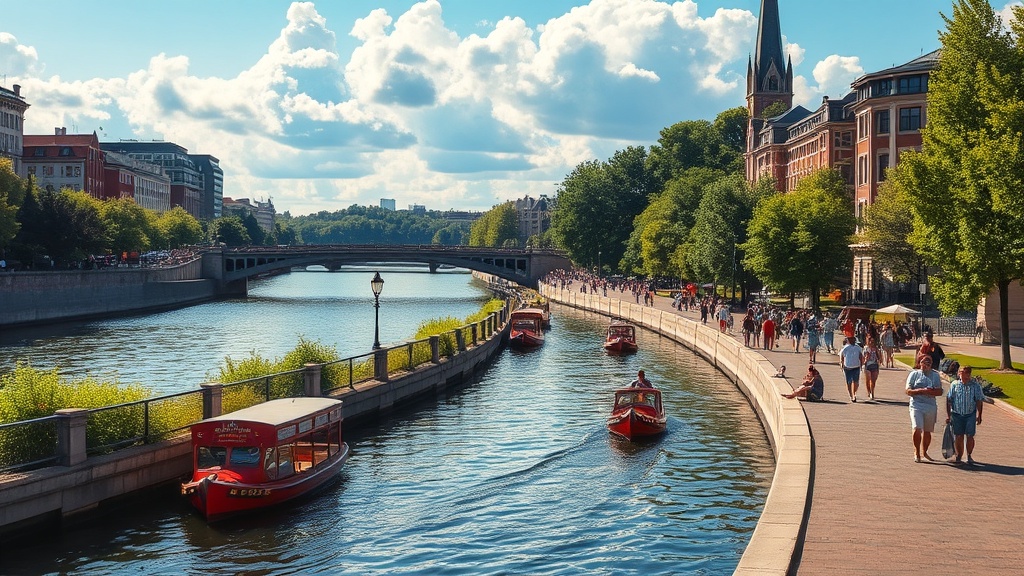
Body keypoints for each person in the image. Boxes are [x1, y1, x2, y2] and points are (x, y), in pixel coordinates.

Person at [906, 355, 943, 463]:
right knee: (917, 427)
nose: (926, 365)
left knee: (927, 431)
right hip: (916, 404)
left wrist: (930, 391)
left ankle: (925, 451)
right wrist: (920, 391)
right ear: (920, 363)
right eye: (924, 362)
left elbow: (940, 391)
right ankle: (916, 452)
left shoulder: (935, 375)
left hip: (930, 405)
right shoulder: (914, 374)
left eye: (929, 363)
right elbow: (908, 391)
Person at [945, 366, 985, 465]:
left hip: (970, 414)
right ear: (959, 373)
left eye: (968, 373)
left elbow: (979, 401)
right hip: (957, 414)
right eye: (963, 373)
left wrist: (979, 415)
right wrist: (948, 415)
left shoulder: (975, 386)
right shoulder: (954, 385)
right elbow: (949, 399)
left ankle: (969, 455)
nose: (966, 375)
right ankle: (959, 455)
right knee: (959, 435)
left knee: (970, 435)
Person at [840, 336, 863, 402]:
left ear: (855, 339)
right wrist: (841, 364)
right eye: (849, 339)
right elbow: (842, 356)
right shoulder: (845, 348)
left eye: (852, 338)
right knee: (849, 382)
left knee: (856, 382)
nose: (851, 340)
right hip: (847, 367)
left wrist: (861, 365)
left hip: (856, 367)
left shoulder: (858, 347)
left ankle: (854, 393)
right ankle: (851, 395)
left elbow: (860, 356)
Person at [862, 336, 883, 401]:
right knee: (868, 380)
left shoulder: (876, 349)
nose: (872, 343)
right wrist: (866, 359)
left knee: (873, 381)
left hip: (875, 365)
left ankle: (872, 393)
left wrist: (880, 359)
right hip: (867, 366)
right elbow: (863, 357)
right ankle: (869, 392)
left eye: (873, 341)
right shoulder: (865, 348)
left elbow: (879, 357)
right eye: (870, 341)